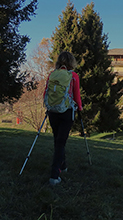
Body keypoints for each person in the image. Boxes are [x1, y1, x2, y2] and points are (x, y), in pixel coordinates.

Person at [43, 52, 83, 186]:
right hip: (67, 111)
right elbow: (77, 96)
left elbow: (45, 92)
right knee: (61, 141)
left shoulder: (52, 74)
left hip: (53, 110)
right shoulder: (73, 76)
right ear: (72, 62)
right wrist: (80, 108)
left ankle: (63, 165)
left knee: (58, 139)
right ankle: (54, 175)